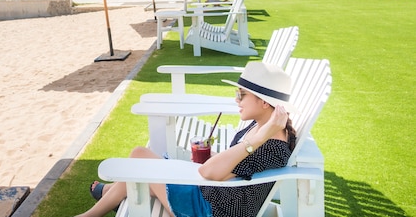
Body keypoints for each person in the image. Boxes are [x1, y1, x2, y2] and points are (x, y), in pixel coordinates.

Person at [75, 61, 297, 217]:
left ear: (264, 102)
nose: (236, 99)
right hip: (208, 192)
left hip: (208, 209)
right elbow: (225, 170)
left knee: (140, 161)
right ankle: (112, 192)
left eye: (241, 94)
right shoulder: (261, 127)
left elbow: (208, 173)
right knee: (139, 155)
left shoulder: (270, 145)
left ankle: (93, 211)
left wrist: (257, 139)